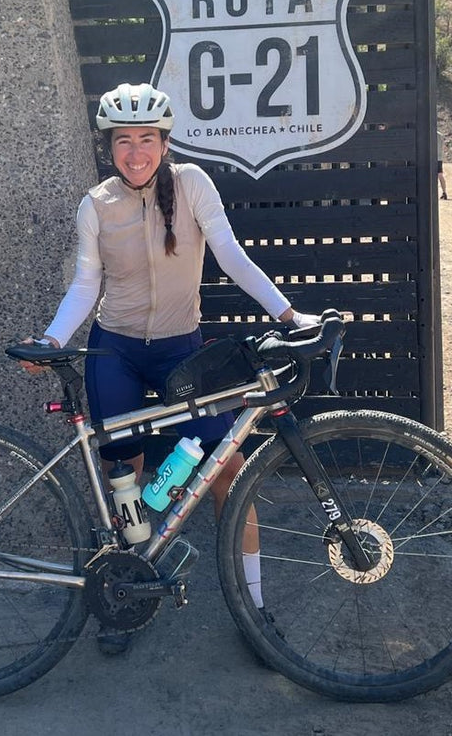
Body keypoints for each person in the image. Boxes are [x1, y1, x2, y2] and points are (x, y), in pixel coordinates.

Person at [22, 82, 319, 655]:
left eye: (148, 139)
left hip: (184, 346)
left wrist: (286, 312)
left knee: (226, 469)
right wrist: (55, 337)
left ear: (164, 143)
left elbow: (231, 254)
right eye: (124, 140)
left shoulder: (192, 186)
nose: (137, 152)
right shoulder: (97, 205)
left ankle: (255, 612)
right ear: (109, 147)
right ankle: (127, 596)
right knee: (125, 477)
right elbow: (86, 283)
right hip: (117, 351)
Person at [437, 131, 448, 200]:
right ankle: (444, 192)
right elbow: (443, 147)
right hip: (439, 158)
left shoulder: (428, 134)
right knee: (440, 175)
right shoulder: (440, 135)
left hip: (431, 158)